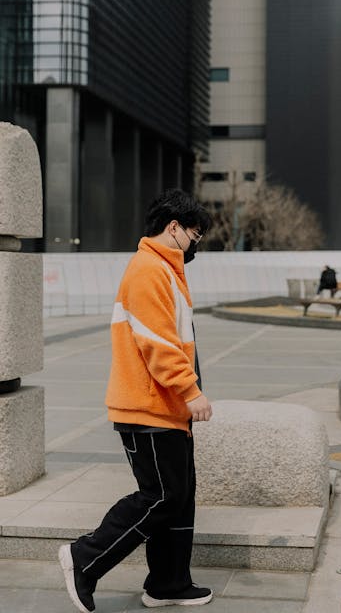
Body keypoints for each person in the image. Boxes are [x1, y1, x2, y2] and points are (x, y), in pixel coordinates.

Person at [59, 188, 213, 612]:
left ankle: (168, 583)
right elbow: (156, 344)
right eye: (195, 235)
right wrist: (190, 390)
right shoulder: (148, 269)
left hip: (167, 410)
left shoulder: (167, 271)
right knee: (161, 496)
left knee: (179, 498)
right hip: (149, 408)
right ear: (174, 227)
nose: (196, 244)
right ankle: (83, 558)